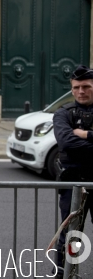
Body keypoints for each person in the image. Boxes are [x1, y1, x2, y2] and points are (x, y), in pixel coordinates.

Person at [53, 65, 93, 274]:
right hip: (73, 182)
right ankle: (63, 272)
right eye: (76, 87)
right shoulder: (64, 113)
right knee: (70, 233)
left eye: (86, 86)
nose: (81, 91)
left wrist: (85, 135)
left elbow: (75, 142)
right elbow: (66, 143)